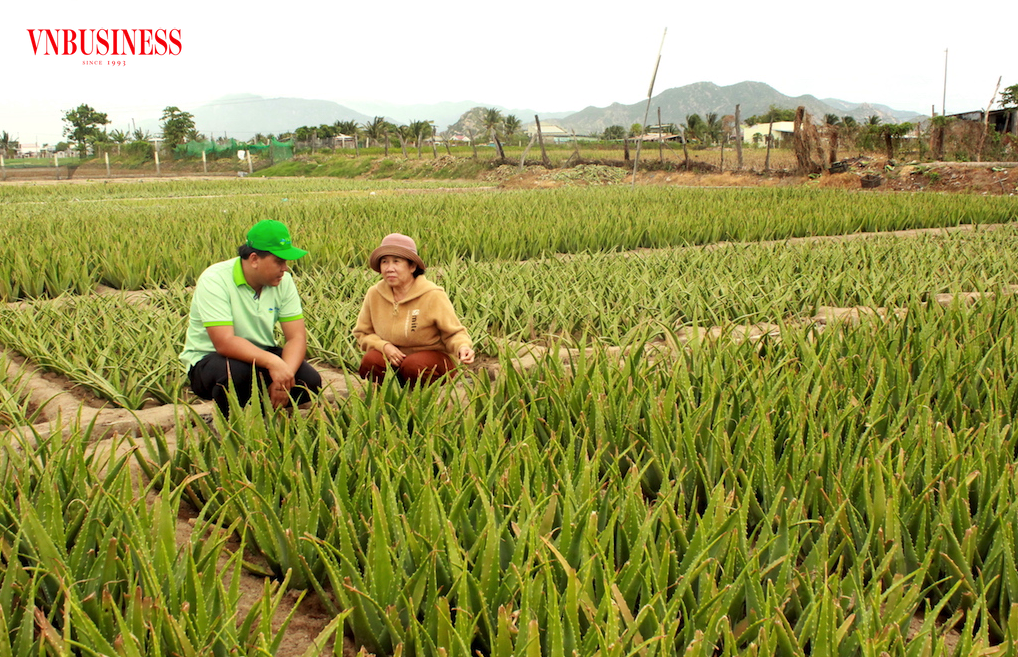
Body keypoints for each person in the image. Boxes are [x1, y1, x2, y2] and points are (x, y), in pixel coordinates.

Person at [180, 219, 322, 416]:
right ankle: (228, 421)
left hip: (260, 353)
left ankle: (267, 415)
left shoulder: (284, 282)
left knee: (309, 381)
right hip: (211, 360)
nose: (285, 268)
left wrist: (283, 377)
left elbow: (296, 337)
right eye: (279, 261)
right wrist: (274, 363)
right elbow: (224, 342)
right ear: (254, 259)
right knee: (238, 376)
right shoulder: (215, 279)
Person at [353, 233, 475, 385]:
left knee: (414, 365)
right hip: (393, 357)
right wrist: (384, 346)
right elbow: (363, 333)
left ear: (412, 266)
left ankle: (423, 395)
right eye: (385, 262)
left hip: (430, 359)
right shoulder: (374, 293)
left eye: (396, 262)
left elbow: (453, 333)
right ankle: (390, 395)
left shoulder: (432, 294)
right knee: (371, 361)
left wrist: (462, 347)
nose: (389, 268)